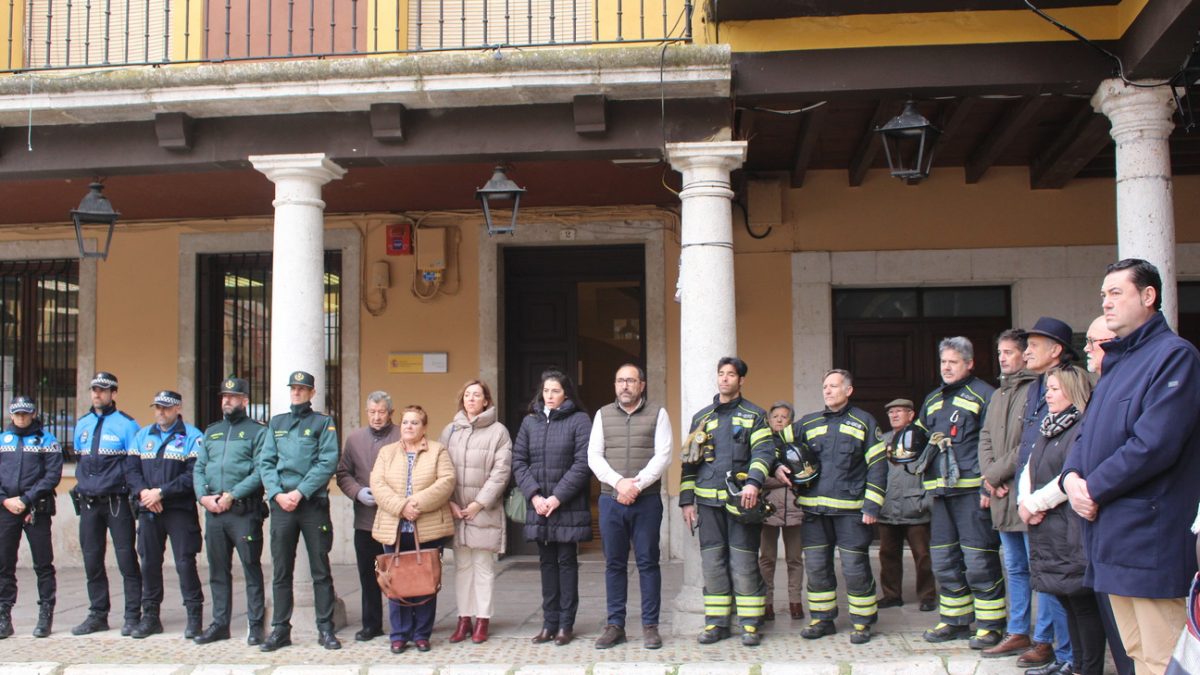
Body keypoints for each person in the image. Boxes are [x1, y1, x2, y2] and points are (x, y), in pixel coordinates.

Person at [1063, 258, 1200, 674]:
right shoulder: (1118, 363)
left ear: (1148, 296)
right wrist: (1071, 479)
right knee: (1137, 658)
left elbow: (1154, 444)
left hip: (1150, 540)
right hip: (1111, 540)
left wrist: (1093, 488)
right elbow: (1085, 436)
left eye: (1116, 293)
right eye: (1103, 294)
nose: (1106, 303)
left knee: (1164, 659)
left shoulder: (1174, 357)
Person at [978, 326, 1067, 669]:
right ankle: (1018, 631)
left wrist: (998, 474)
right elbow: (986, 437)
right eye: (999, 352)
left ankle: (1044, 640)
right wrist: (990, 476)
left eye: (1010, 352)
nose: (1004, 358)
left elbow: (1028, 445)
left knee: (1037, 569)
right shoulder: (998, 394)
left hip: (1025, 491)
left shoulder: (1038, 389)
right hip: (1001, 491)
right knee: (1014, 567)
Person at [777, 369, 886, 644]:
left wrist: (872, 506)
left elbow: (878, 466)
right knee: (816, 568)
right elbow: (775, 442)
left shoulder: (864, 422)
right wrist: (777, 466)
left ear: (848, 390)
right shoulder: (808, 423)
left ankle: (862, 622)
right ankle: (822, 619)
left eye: (834, 386)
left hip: (851, 511)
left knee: (854, 567)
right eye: (825, 386)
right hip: (813, 513)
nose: (827, 390)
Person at [914, 338, 1006, 647]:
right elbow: (919, 438)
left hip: (972, 494)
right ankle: (954, 620)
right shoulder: (933, 399)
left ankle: (991, 624)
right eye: (943, 362)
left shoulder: (985, 395)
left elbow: (995, 443)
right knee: (944, 561)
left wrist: (987, 484)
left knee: (979, 561)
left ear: (969, 363)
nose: (947, 368)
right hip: (941, 495)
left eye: (953, 362)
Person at [679, 356, 774, 647]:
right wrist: (686, 501)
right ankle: (716, 624)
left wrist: (754, 484)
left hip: (741, 504)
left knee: (744, 563)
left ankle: (750, 624)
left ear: (741, 380)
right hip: (707, 505)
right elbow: (688, 463)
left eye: (730, 374)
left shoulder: (755, 415)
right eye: (721, 374)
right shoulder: (702, 417)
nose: (724, 379)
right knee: (713, 565)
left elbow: (764, 452)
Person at [1020, 364, 1105, 675]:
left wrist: (1035, 503)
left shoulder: (1081, 427)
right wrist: (1024, 502)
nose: (1048, 394)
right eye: (1048, 389)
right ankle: (1076, 664)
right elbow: (1029, 467)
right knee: (1067, 602)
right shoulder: (1049, 426)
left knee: (1083, 605)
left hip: (1070, 530)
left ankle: (1089, 668)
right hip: (1048, 530)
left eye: (1054, 389)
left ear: (1072, 391)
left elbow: (1068, 475)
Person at [587, 364, 672, 650]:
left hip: (646, 501)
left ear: (642, 385)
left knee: (648, 563)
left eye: (631, 381)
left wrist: (637, 485)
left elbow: (663, 455)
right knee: (614, 564)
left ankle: (650, 626)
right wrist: (618, 483)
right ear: (615, 385)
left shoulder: (658, 414)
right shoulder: (602, 415)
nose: (625, 385)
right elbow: (594, 456)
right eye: (620, 380)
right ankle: (615, 626)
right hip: (611, 500)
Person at [257, 370, 341, 652]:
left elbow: (327, 462)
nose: (297, 392)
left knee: (320, 569)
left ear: (312, 393)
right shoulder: (277, 423)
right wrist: (278, 493)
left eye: (302, 389)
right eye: (293, 388)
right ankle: (281, 629)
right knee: (281, 570)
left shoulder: (323, 423)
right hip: (282, 506)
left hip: (311, 504)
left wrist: (299, 492)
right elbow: (266, 462)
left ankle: (326, 628)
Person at [511, 369, 593, 647]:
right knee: (546, 564)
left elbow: (582, 464)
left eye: (555, 390)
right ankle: (549, 623)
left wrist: (556, 498)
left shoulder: (580, 420)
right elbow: (519, 461)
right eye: (546, 391)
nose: (549, 396)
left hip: (565, 506)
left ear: (566, 393)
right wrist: (534, 496)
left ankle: (565, 626)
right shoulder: (530, 422)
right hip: (539, 505)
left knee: (567, 564)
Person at [371, 405, 455, 654]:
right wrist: (401, 507)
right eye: (405, 422)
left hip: (426, 526)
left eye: (415, 422)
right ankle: (399, 634)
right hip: (395, 527)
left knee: (425, 583)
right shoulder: (387, 452)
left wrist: (415, 504)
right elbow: (377, 483)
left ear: (424, 427)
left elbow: (446, 481)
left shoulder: (438, 451)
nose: (409, 426)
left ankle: (421, 634)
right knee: (396, 583)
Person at [193, 377, 268, 646]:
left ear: (245, 401)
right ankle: (220, 623)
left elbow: (261, 470)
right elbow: (199, 467)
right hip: (214, 512)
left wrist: (232, 495)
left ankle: (256, 625)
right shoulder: (212, 431)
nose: (227, 400)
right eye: (224, 396)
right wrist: (203, 496)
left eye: (233, 396)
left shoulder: (258, 432)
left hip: (243, 512)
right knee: (217, 571)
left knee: (250, 568)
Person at [71, 371, 143, 637]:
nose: (97, 394)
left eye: (103, 390)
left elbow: (134, 464)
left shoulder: (127, 424)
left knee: (126, 558)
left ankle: (133, 615)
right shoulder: (82, 424)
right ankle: (97, 614)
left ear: (114, 393)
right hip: (89, 502)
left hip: (117, 502)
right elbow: (80, 460)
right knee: (92, 560)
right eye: (94, 390)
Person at [128, 390, 204, 639]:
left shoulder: (192, 436)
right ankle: (150, 616)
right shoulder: (142, 435)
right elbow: (131, 470)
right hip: (148, 508)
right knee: (149, 563)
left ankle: (194, 617)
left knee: (185, 563)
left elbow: (193, 475)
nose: (160, 412)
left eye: (166, 407)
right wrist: (144, 494)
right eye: (157, 407)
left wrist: (161, 492)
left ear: (178, 408)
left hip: (179, 510)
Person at [440, 379, 512, 645]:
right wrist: (450, 502)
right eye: (467, 394)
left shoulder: (498, 432)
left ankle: (482, 620)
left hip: (483, 509)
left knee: (482, 567)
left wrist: (478, 504)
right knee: (462, 567)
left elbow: (501, 472)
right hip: (456, 509)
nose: (472, 399)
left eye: (477, 395)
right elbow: (440, 468)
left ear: (486, 401)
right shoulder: (450, 431)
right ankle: (463, 619)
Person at [1080, 315, 1133, 675]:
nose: (1086, 349)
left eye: (1093, 343)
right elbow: (1081, 447)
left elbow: (1145, 447)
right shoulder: (1101, 386)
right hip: (1097, 526)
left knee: (1144, 648)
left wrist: (1092, 489)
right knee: (1122, 634)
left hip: (1127, 525)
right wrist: (1072, 480)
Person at [335, 391, 399, 643]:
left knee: (397, 574)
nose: (376, 417)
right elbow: (343, 473)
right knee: (368, 574)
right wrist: (357, 492)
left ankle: (402, 623)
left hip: (395, 519)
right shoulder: (354, 439)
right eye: (371, 412)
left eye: (381, 412)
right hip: (365, 519)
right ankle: (371, 624)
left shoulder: (400, 436)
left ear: (390, 413)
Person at [0, 396, 62, 638]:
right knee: (4, 565)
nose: (21, 418)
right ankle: (4, 615)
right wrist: (5, 500)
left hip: (37, 508)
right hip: (6, 509)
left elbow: (51, 476)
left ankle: (45, 614)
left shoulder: (48, 441)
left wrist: (25, 500)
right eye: (17, 413)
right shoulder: (3, 439)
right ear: (11, 414)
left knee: (43, 564)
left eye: (26, 413)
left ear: (33, 413)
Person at [877, 398, 936, 613]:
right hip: (887, 508)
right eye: (891, 412)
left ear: (911, 415)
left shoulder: (922, 440)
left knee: (923, 556)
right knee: (888, 555)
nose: (894, 415)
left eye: (899, 411)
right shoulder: (882, 441)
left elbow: (932, 471)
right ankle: (892, 595)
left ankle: (928, 596)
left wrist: (926, 502)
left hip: (915, 507)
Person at [757, 401, 804, 623]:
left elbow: (804, 473)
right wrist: (784, 480)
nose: (778, 420)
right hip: (768, 509)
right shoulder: (762, 446)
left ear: (790, 421)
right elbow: (758, 477)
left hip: (795, 510)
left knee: (795, 558)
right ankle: (767, 603)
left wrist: (790, 480)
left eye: (783, 417)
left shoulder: (797, 446)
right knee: (767, 558)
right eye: (775, 416)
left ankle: (795, 602)